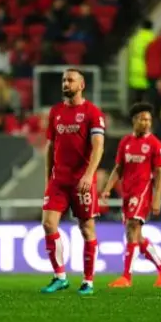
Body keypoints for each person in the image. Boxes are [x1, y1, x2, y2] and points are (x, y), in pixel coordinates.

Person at [41, 68, 105, 295]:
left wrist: (89, 175)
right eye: (63, 80)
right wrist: (48, 177)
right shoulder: (56, 111)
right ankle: (60, 277)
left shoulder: (92, 112)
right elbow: (50, 146)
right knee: (48, 224)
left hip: (81, 181)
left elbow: (98, 146)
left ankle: (88, 281)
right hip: (59, 180)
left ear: (82, 84)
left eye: (70, 80)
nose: (65, 83)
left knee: (87, 229)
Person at [101, 102, 161, 288]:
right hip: (127, 192)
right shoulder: (125, 142)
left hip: (142, 192)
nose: (146, 123)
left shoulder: (155, 144)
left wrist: (157, 198)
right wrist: (108, 188)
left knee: (133, 228)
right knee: (135, 236)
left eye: (149, 119)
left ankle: (126, 277)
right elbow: (118, 168)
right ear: (134, 121)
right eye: (142, 119)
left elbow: (160, 174)